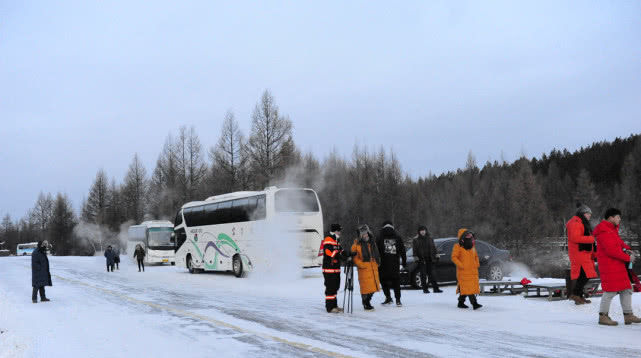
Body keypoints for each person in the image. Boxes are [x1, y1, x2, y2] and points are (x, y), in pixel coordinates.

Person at [594, 208, 641, 326]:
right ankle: (603, 316)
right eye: (618, 217)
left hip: (617, 265)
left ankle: (628, 315)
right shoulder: (604, 231)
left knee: (626, 288)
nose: (620, 219)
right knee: (610, 291)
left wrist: (629, 249)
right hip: (609, 266)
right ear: (611, 217)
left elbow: (619, 243)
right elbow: (611, 251)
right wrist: (627, 258)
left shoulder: (611, 230)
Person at [566, 203, 598, 304]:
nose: (589, 216)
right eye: (588, 214)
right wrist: (592, 239)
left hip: (583, 253)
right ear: (582, 213)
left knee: (582, 275)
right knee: (585, 275)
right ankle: (575, 294)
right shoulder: (575, 222)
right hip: (579, 253)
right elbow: (575, 238)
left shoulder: (581, 222)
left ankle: (579, 296)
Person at [376, 221, 406, 306]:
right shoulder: (397, 236)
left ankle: (388, 297)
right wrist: (404, 262)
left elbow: (375, 251)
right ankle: (398, 300)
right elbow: (403, 250)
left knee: (383, 281)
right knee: (396, 282)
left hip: (382, 264)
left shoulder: (379, 237)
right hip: (394, 264)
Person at [351, 225, 381, 311]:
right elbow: (355, 258)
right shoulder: (356, 245)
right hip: (364, 269)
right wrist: (361, 264)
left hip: (373, 267)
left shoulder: (372, 243)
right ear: (360, 235)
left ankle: (367, 301)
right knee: (365, 288)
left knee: (373, 287)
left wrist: (377, 262)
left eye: (366, 233)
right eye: (363, 234)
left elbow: (377, 253)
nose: (366, 235)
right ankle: (366, 303)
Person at [451, 229, 482, 310]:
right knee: (469, 288)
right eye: (467, 235)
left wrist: (477, 263)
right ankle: (474, 304)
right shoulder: (457, 246)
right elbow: (454, 257)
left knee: (465, 287)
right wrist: (461, 265)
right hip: (463, 271)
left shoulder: (472, 246)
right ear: (462, 236)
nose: (469, 236)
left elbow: (476, 256)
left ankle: (460, 302)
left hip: (472, 270)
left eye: (470, 235)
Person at [322, 223, 349, 313]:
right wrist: (338, 255)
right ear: (335, 231)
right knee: (330, 288)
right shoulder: (328, 239)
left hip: (336, 269)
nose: (340, 232)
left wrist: (348, 255)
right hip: (329, 269)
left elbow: (341, 251)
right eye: (339, 230)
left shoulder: (336, 240)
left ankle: (335, 306)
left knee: (335, 287)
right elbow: (328, 252)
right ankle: (329, 307)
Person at [412, 225, 443, 293]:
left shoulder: (430, 238)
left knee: (432, 274)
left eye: (424, 230)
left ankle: (436, 288)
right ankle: (425, 289)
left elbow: (434, 247)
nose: (422, 232)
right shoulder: (416, 240)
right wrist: (416, 258)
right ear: (419, 232)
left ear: (426, 231)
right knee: (423, 275)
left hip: (430, 258)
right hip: (422, 259)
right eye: (421, 231)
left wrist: (437, 255)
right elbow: (414, 250)